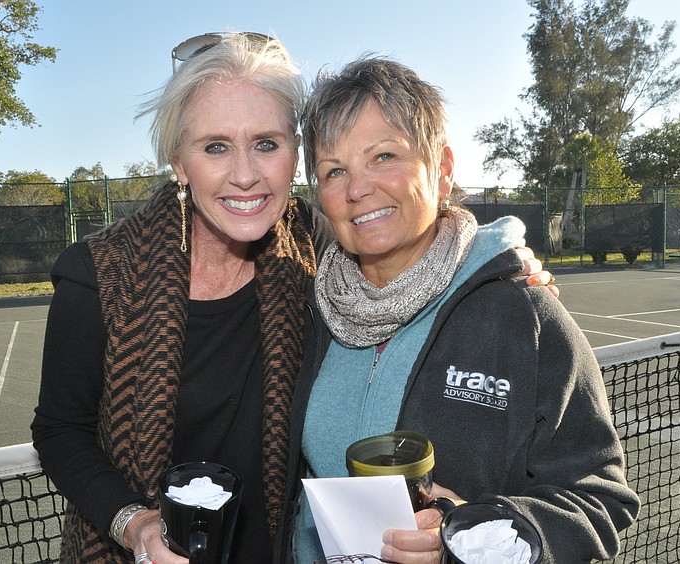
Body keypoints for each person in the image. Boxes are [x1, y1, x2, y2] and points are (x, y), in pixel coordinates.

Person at [31, 34, 554, 564]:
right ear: (180, 164)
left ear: (293, 155)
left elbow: (405, 222)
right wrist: (135, 525)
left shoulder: (315, 248)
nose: (244, 174)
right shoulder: (101, 273)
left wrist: (494, 259)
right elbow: (58, 431)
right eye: (215, 146)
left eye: (266, 143)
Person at [277, 56, 640, 564]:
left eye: (383, 156)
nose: (357, 188)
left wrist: (475, 536)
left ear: (442, 170)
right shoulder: (304, 309)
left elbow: (601, 498)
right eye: (334, 170)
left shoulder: (523, 312)